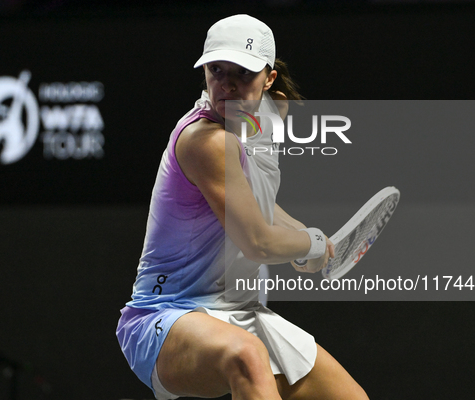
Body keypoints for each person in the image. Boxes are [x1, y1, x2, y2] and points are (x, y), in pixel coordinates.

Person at [116, 14, 369, 400]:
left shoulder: (261, 119)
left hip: (244, 312)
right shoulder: (205, 141)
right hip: (166, 315)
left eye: (243, 73)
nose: (227, 84)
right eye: (216, 70)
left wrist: (305, 239)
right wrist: (312, 244)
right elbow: (257, 242)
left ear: (269, 78)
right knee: (248, 358)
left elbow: (257, 203)